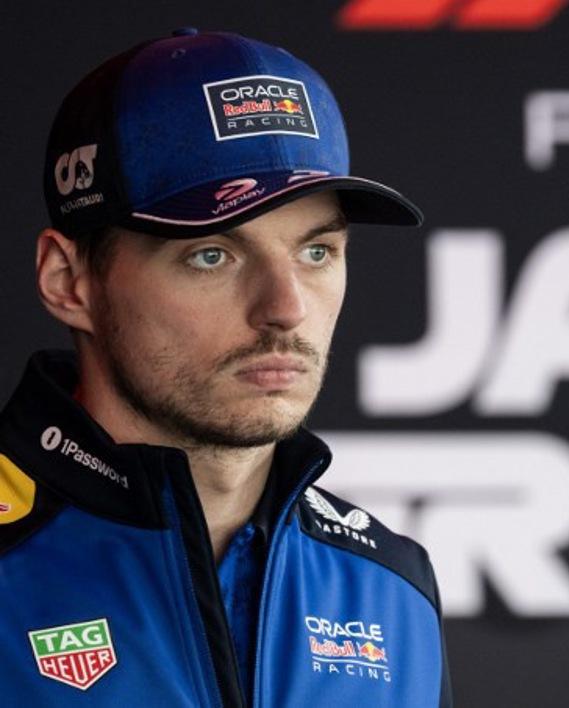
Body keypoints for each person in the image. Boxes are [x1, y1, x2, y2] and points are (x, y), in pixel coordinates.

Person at [0, 28, 450, 707]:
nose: (286, 307)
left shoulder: (390, 588)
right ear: (69, 281)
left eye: (317, 252)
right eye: (213, 255)